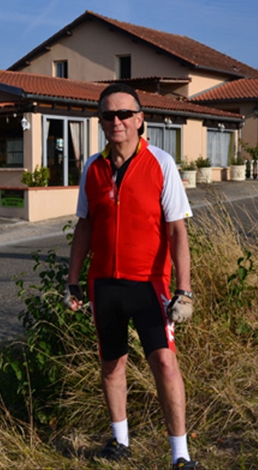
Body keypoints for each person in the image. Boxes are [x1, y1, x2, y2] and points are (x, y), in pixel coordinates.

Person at [63, 83, 199, 470]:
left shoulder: (161, 163)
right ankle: (120, 441)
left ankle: (180, 454)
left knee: (165, 363)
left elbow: (177, 231)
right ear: (101, 122)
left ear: (141, 119)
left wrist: (184, 291)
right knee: (111, 363)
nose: (117, 121)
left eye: (125, 114)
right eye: (109, 115)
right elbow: (84, 228)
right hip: (103, 284)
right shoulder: (93, 166)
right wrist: (72, 281)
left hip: (149, 284)